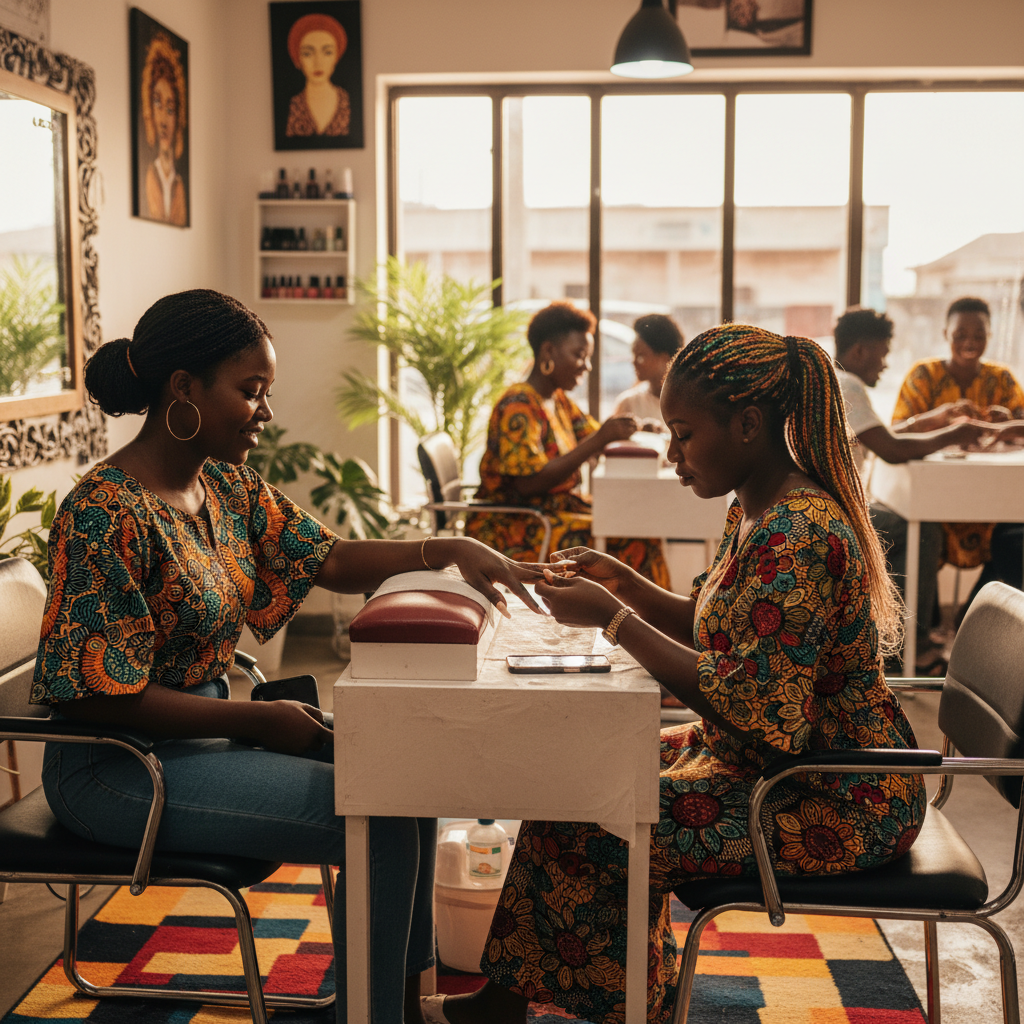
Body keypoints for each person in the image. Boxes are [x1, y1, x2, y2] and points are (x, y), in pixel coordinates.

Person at [31, 289, 556, 1024]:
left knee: (409, 781)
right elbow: (90, 696)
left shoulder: (221, 483)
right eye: (250, 392)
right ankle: (375, 1016)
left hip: (201, 737)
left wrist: (449, 548)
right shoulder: (101, 513)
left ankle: (399, 1004)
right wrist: (260, 723)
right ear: (183, 388)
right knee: (370, 817)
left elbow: (330, 558)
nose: (266, 412)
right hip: (117, 765)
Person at [424, 324, 925, 1024]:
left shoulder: (799, 532)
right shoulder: (756, 508)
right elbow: (717, 622)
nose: (672, 453)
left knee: (598, 821)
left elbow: (753, 707)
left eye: (683, 434)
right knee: (569, 780)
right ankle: (513, 1005)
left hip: (834, 795)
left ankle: (627, 1006)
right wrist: (624, 582)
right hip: (773, 764)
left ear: (748, 424)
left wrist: (613, 620)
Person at [466, 301, 671, 589]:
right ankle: (640, 626)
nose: (586, 366)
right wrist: (601, 438)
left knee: (639, 526)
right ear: (548, 351)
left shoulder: (557, 400)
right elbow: (528, 484)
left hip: (550, 515)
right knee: (635, 537)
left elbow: (592, 434)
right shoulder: (519, 404)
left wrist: (634, 427)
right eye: (580, 355)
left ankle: (643, 625)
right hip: (517, 528)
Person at [833, 307, 990, 673]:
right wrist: (955, 432)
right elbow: (891, 449)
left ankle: (895, 638)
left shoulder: (833, 380)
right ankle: (909, 646)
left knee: (903, 524)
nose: (885, 364)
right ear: (859, 352)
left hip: (827, 503)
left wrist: (934, 420)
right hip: (833, 511)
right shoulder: (848, 385)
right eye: (882, 353)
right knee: (917, 529)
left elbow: (881, 436)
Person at [892, 296, 1024, 616]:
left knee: (1014, 539)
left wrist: (1006, 424)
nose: (970, 342)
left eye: (979, 335)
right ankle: (927, 627)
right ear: (945, 333)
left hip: (991, 501)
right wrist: (939, 417)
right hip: (935, 496)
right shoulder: (923, 375)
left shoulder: (1002, 378)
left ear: (989, 336)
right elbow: (895, 431)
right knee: (923, 535)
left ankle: (971, 619)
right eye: (960, 335)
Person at [141, 30, 187, 226]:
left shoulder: (179, 185)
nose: (164, 120)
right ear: (149, 110)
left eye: (170, 108)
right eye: (158, 104)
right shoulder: (151, 176)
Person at [610, 313, 685, 430]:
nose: (634, 362)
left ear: (665, 358)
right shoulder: (629, 403)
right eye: (633, 355)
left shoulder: (688, 403)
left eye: (640, 356)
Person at [285, 13, 351, 137]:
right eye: (307, 54)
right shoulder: (293, 104)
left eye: (327, 52)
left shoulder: (346, 100)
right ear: (297, 58)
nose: (318, 63)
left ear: (336, 56)